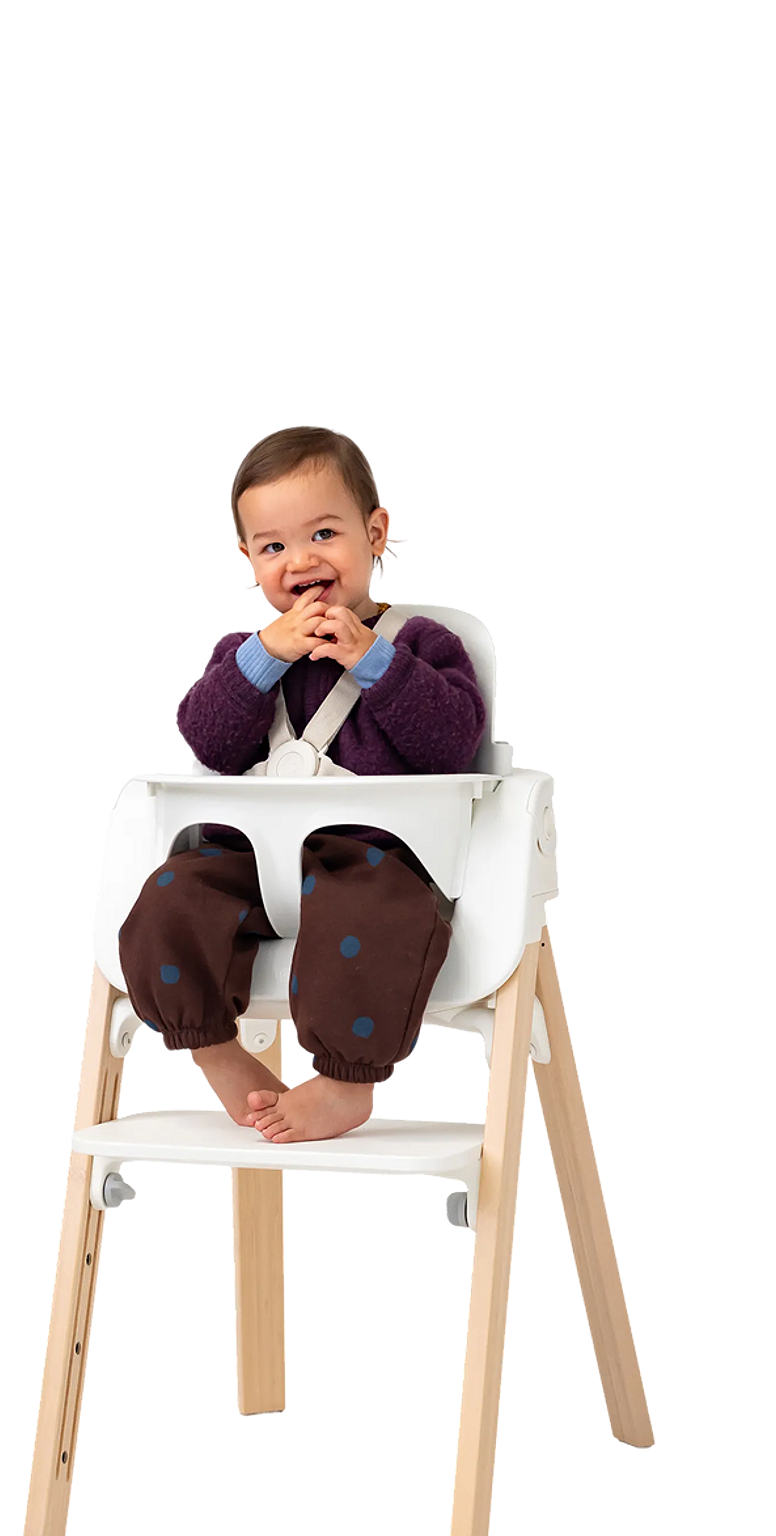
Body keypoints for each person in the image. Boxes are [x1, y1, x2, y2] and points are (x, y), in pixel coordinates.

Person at [117, 425, 486, 1143]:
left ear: (375, 534)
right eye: (274, 546)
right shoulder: (241, 651)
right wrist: (261, 657)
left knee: (373, 917)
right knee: (166, 901)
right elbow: (208, 740)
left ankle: (347, 1082)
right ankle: (215, 1051)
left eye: (324, 532)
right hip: (244, 858)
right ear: (248, 559)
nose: (302, 559)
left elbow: (451, 741)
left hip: (369, 854)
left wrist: (373, 662)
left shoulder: (420, 642)